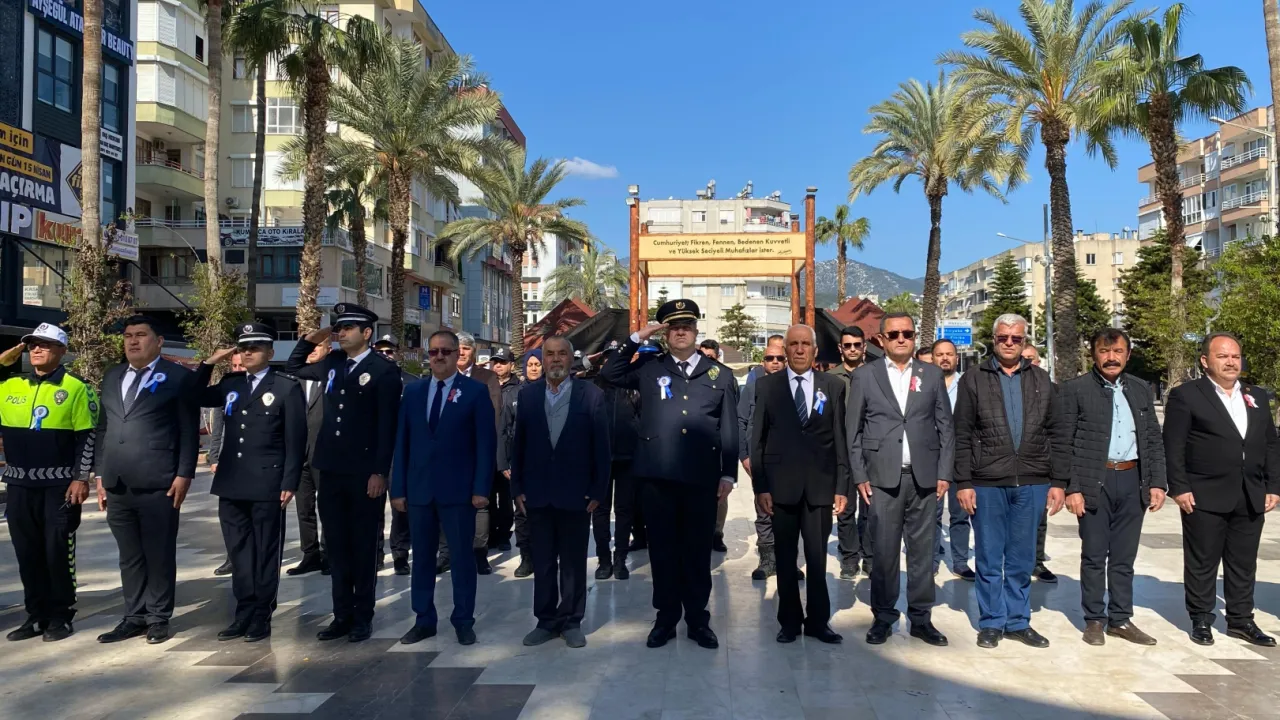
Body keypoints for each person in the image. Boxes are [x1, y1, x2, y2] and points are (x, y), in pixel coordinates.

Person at [601, 299, 738, 650]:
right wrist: (637, 337)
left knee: (697, 553)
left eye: (686, 326)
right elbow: (610, 373)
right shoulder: (649, 368)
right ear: (665, 333)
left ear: (696, 330)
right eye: (674, 327)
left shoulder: (719, 374)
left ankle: (697, 620)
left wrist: (728, 474)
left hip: (700, 479)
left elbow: (728, 428)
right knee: (662, 552)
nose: (681, 332)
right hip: (657, 477)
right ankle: (665, 619)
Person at [287, 304, 402, 643]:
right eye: (339, 327)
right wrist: (315, 337)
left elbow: (387, 426)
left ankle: (362, 616)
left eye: (348, 327)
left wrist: (380, 471)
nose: (341, 332)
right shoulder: (334, 362)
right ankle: (341, 615)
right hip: (331, 468)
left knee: (362, 546)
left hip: (363, 472)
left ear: (367, 333)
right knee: (336, 546)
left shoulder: (383, 369)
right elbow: (294, 366)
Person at [953, 314, 1067, 649]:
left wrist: (1059, 481)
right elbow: (962, 433)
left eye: (1016, 338)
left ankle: (1018, 621)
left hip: (1032, 481)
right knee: (989, 556)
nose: (1009, 343)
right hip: (986, 482)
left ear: (1024, 341)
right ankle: (991, 622)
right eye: (1003, 337)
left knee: (1021, 558)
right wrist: (963, 481)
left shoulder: (1041, 379)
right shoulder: (974, 379)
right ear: (994, 339)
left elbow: (1057, 433)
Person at [1164, 332, 1280, 648]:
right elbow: (1173, 445)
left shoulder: (1256, 395)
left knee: (1243, 562)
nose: (1231, 362)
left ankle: (1241, 620)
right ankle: (1201, 618)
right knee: (1202, 561)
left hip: (1250, 492)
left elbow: (1270, 443)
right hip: (1204, 492)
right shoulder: (1187, 395)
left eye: (1235, 356)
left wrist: (1273, 485)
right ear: (1205, 361)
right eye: (1223, 356)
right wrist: (1179, 487)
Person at [194, 324, 306, 642]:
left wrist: (289, 480)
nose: (247, 353)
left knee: (265, 551)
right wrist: (208, 363)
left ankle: (261, 614)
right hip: (232, 482)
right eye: (243, 348)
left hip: (268, 481)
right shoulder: (231, 384)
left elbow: (296, 439)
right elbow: (194, 395)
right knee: (239, 552)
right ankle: (243, 612)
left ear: (270, 352)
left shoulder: (285, 386)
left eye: (255, 347)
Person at [847, 313, 954, 647]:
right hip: (881, 479)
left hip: (924, 478)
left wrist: (944, 473)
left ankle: (921, 618)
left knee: (923, 553)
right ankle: (883, 617)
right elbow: (853, 431)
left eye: (907, 333)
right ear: (881, 339)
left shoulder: (931, 374)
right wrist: (860, 475)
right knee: (884, 553)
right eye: (893, 334)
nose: (901, 339)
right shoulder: (865, 376)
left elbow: (946, 427)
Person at [95, 316, 200, 645]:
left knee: (158, 552)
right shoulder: (112, 376)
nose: (132, 341)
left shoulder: (178, 377)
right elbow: (103, 428)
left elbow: (188, 430)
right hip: (117, 481)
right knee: (129, 555)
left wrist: (184, 474)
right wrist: (99, 474)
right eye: (128, 336)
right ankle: (133, 616)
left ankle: (157, 617)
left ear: (159, 341)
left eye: (141, 335)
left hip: (159, 480)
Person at [1059, 328, 1167, 646]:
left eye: (1117, 351)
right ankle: (1094, 619)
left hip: (1133, 479)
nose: (1111, 358)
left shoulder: (1140, 389)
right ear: (1093, 354)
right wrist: (1072, 488)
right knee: (1094, 554)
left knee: (1124, 556)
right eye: (1104, 351)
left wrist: (1158, 482)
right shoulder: (1075, 390)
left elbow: (1152, 438)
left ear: (1127, 355)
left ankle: (1120, 619)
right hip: (1095, 480)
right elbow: (1063, 443)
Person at [391, 330, 496, 646]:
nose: (439, 357)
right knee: (422, 558)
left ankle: (463, 620)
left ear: (457, 355)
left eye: (446, 351)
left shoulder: (475, 392)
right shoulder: (413, 392)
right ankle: (423, 619)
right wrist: (398, 489)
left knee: (462, 559)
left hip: (459, 491)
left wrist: (481, 488)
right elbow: (402, 443)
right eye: (434, 351)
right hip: (420, 490)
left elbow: (485, 444)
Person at [510, 336, 611, 648]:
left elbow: (601, 448)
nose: (555, 359)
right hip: (537, 493)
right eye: (550, 354)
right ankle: (545, 621)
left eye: (561, 354)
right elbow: (519, 445)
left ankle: (571, 621)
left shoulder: (591, 395)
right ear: (543, 359)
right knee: (542, 562)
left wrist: (598, 490)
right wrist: (517, 488)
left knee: (573, 562)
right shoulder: (528, 395)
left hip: (576, 494)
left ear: (571, 358)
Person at [0, 324, 98, 642]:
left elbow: (87, 437)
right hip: (19, 484)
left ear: (62, 351)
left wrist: (81, 478)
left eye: (45, 344)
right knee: (26, 552)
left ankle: (60, 615)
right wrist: (4, 360)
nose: (37, 349)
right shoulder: (11, 385)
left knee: (57, 551)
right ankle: (35, 615)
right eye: (31, 345)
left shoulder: (77, 387)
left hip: (59, 486)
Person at [751, 325, 848, 643]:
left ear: (815, 350)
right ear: (785, 349)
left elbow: (840, 438)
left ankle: (818, 621)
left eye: (806, 344)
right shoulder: (768, 386)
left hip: (820, 486)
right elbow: (758, 439)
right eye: (793, 344)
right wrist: (761, 487)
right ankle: (789, 621)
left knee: (817, 558)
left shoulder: (832, 386)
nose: (800, 349)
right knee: (785, 557)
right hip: (781, 487)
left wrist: (842, 486)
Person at [437, 331, 502, 576]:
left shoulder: (487, 378)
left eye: (466, 348)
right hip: (446, 454)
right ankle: (446, 554)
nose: (462, 352)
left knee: (480, 504)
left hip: (476, 452)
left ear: (473, 352)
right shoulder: (442, 375)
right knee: (445, 502)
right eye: (459, 348)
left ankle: (479, 554)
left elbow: (494, 413)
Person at [740, 335, 802, 581]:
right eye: (769, 358)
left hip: (790, 462)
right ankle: (767, 559)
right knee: (764, 511)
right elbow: (741, 421)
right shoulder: (752, 388)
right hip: (761, 461)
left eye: (779, 358)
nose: (775, 362)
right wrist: (744, 456)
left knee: (790, 512)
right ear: (762, 362)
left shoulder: (796, 388)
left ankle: (788, 560)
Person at [589, 341, 641, 580]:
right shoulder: (592, 387)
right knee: (599, 510)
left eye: (615, 359)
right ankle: (603, 560)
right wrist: (590, 358)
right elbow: (569, 369)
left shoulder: (634, 386)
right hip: (600, 459)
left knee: (624, 509)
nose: (610, 363)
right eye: (606, 359)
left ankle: (620, 559)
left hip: (628, 457)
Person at [828, 325, 872, 580]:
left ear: (864, 347)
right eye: (848, 345)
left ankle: (869, 556)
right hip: (840, 453)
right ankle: (849, 558)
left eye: (857, 345)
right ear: (840, 348)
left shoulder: (876, 375)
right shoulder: (830, 378)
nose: (853, 349)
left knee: (870, 508)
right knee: (844, 509)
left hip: (870, 452)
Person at [373, 335, 415, 576]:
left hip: (401, 453)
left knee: (401, 507)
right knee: (373, 507)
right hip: (373, 453)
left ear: (398, 354)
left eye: (389, 351)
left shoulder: (411, 383)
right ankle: (376, 554)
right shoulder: (366, 381)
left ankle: (400, 554)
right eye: (380, 351)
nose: (385, 355)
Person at [931, 339, 973, 581]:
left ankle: (960, 562)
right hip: (932, 459)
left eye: (949, 354)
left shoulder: (967, 384)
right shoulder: (924, 384)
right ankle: (931, 562)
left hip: (960, 458)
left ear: (957, 358)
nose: (944, 358)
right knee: (932, 515)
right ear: (932, 358)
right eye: (939, 354)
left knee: (960, 514)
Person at [288, 343, 329, 577]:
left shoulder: (332, 376)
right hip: (298, 454)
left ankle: (328, 553)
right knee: (304, 507)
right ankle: (310, 554)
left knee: (327, 506)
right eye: (309, 346)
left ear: (328, 349)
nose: (312, 350)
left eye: (318, 346)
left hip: (324, 453)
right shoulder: (294, 380)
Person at [1020, 344, 1057, 584]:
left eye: (1031, 358)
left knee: (1039, 519)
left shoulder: (1050, 389)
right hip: (1008, 466)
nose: (1027, 362)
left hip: (1040, 465)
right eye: (1023, 358)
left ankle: (1036, 561)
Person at [208, 350, 246, 578]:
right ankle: (232, 556)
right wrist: (214, 457)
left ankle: (248, 555)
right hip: (229, 462)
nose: (238, 369)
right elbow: (217, 427)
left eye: (242, 365)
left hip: (253, 463)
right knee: (228, 514)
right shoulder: (227, 388)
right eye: (234, 365)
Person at [510, 349, 543, 577]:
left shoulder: (551, 391)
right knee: (522, 512)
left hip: (545, 463)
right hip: (521, 460)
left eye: (537, 364)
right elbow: (505, 427)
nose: (533, 368)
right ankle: (526, 557)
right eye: (529, 364)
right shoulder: (516, 392)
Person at [698, 338, 731, 553]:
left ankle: (717, 533)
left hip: (718, 444)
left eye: (710, 357)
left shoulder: (726, 377)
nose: (706, 360)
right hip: (697, 443)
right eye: (703, 356)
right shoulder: (693, 377)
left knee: (720, 493)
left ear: (717, 357)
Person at [491, 347, 521, 556]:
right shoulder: (487, 385)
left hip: (509, 451)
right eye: (496, 362)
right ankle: (491, 534)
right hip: (488, 448)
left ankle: (504, 535)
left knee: (506, 497)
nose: (498, 366)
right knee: (487, 495)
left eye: (502, 362)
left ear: (512, 365)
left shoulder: (519, 389)